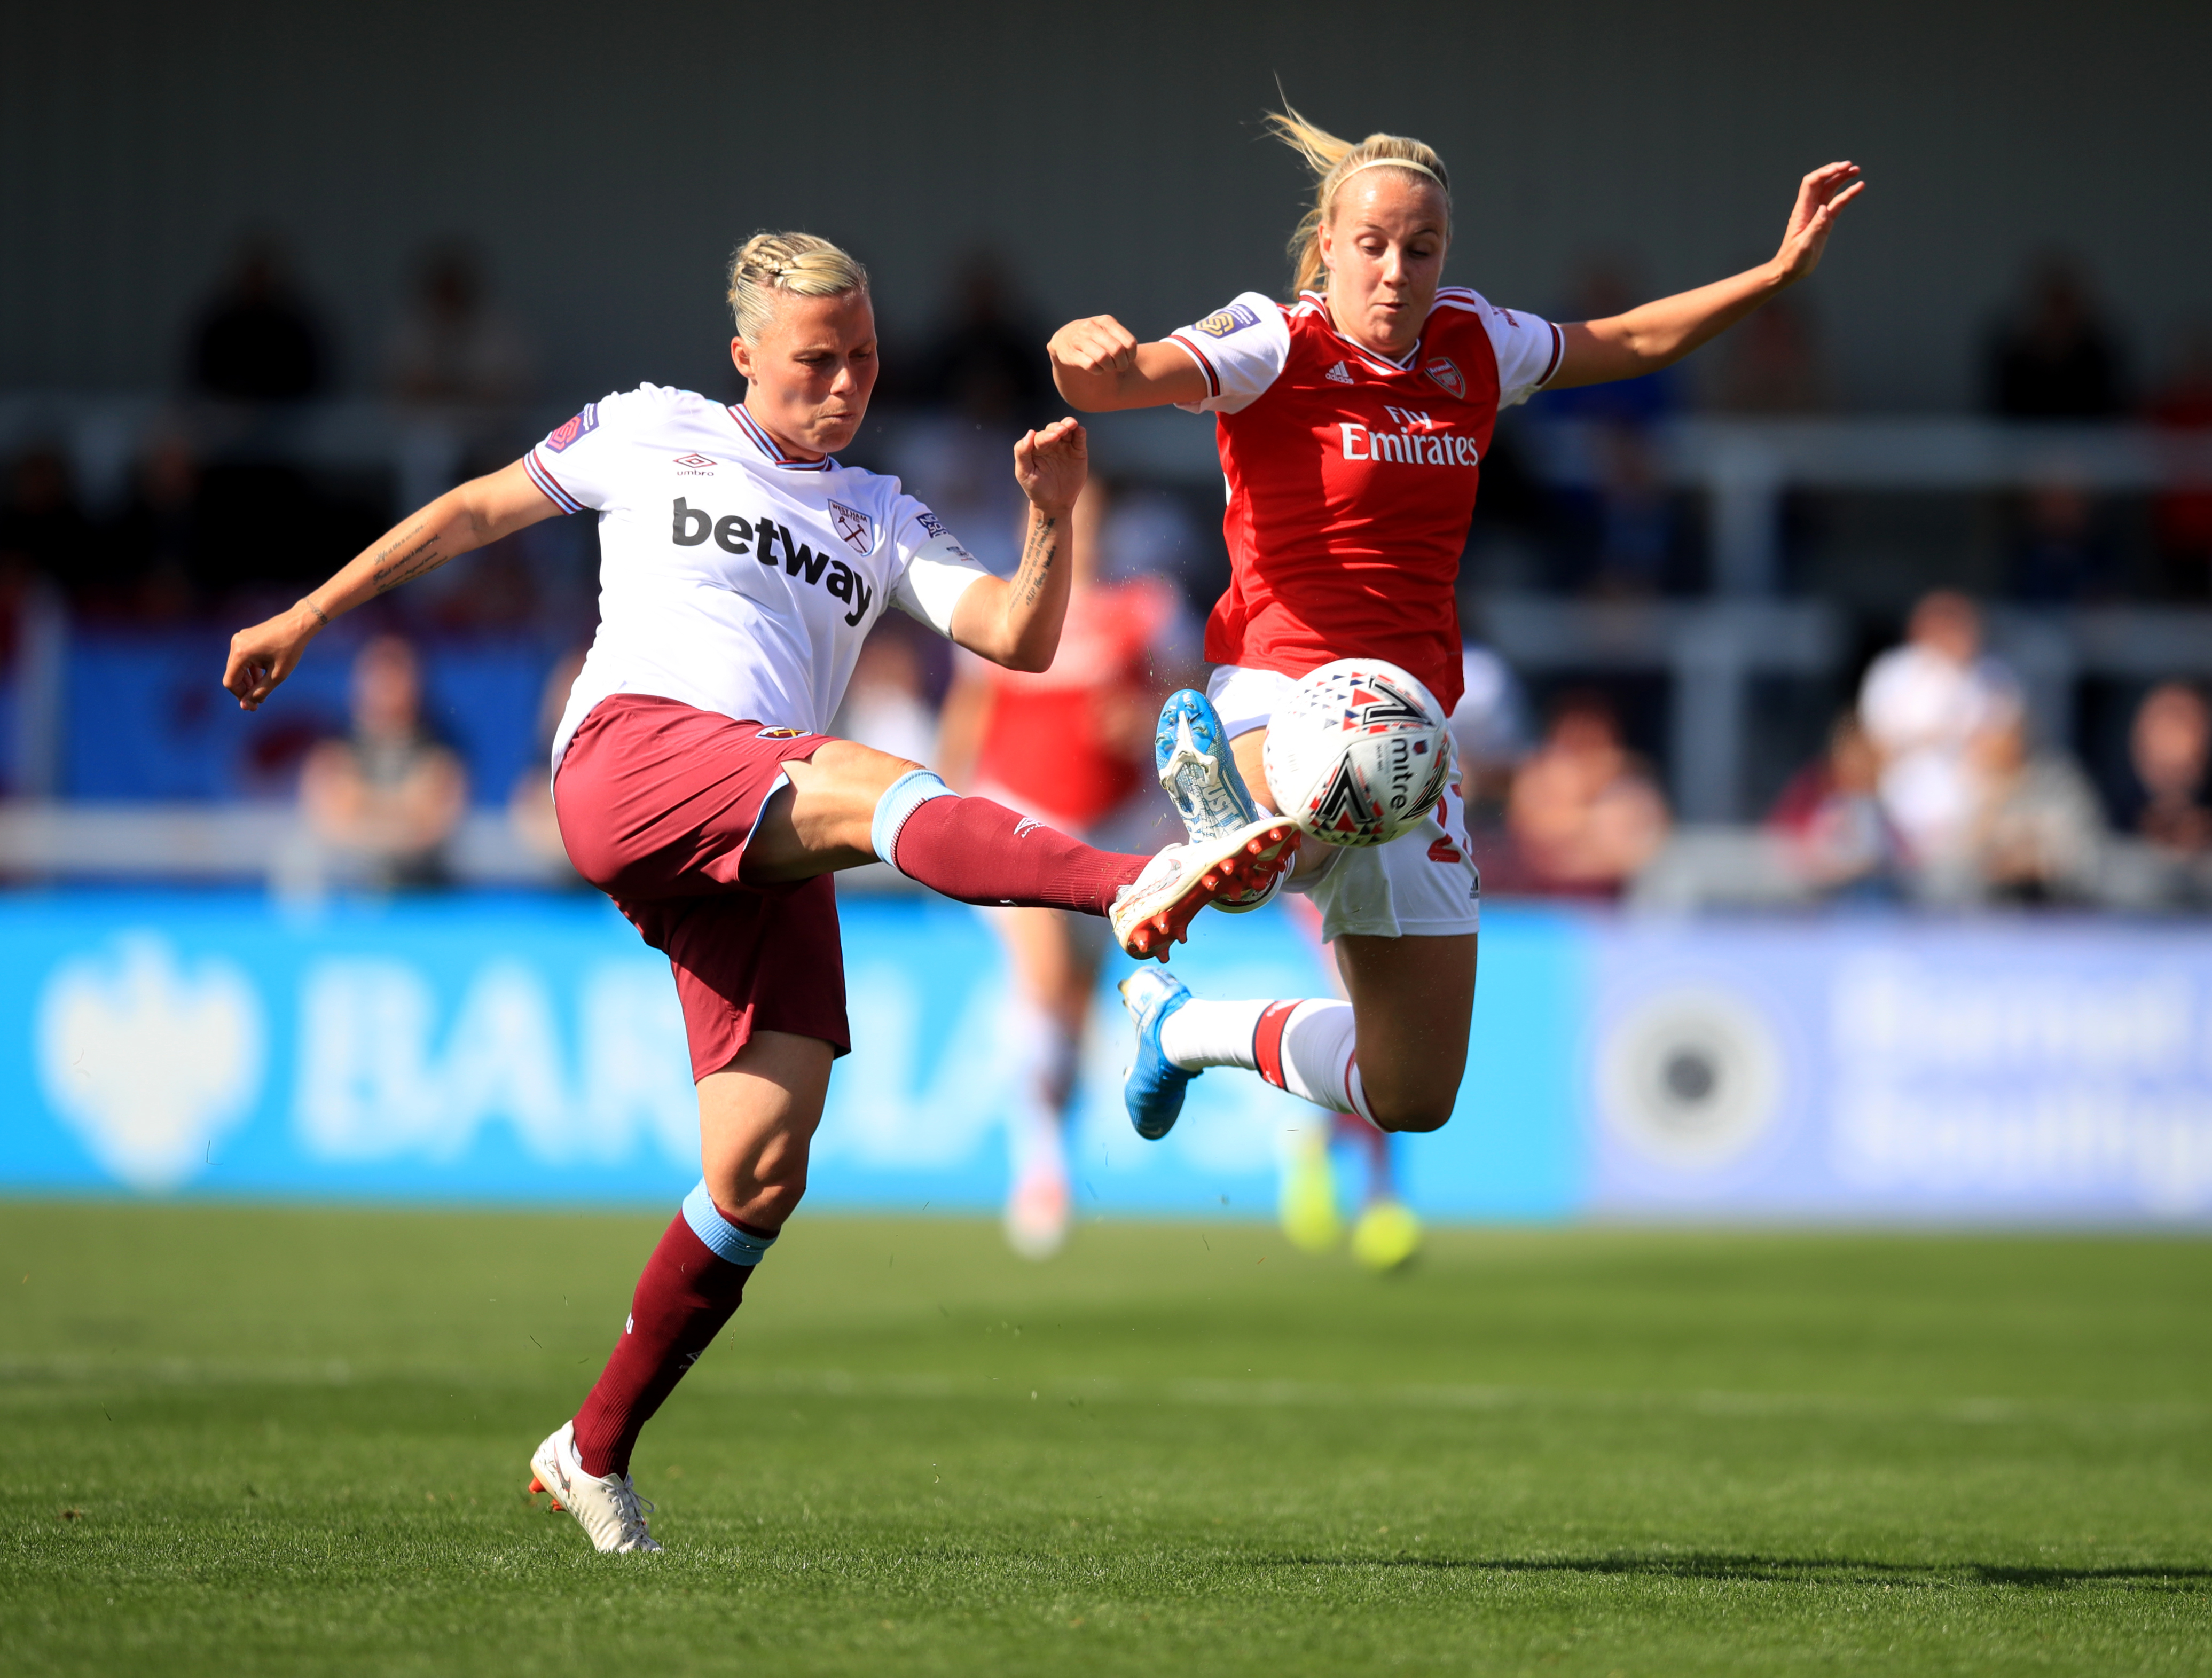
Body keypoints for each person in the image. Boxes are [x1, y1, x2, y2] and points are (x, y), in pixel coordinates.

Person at [220, 231, 1294, 1555]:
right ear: (742, 356)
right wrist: (308, 615)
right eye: (814, 360)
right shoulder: (645, 426)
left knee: (761, 1165)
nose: (843, 384)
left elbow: (1016, 636)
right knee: (875, 782)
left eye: (863, 359)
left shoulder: (880, 510)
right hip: (635, 757)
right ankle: (1136, 879)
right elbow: (469, 511)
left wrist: (1050, 515)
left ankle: (591, 1447)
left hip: (758, 820)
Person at [1044, 106, 1860, 1143]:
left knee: (1414, 1091)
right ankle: (1236, 812)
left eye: (1420, 249)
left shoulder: (1474, 341)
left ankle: (1185, 1020)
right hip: (1278, 683)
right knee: (1302, 810)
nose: (1396, 270)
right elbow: (1119, 379)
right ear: (1329, 247)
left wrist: (1775, 275)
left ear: (1444, 257)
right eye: (1374, 245)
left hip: (1413, 730)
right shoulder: (1272, 340)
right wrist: (1084, 354)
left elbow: (1632, 339)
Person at [934, 478, 1189, 1257]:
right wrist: (936, 820)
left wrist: (1143, 720)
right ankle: (1036, 1170)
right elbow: (967, 717)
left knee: (1074, 1009)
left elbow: (1184, 708)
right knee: (1041, 976)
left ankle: (1047, 1153)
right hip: (1018, 815)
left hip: (1112, 831)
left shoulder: (1146, 606)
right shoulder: (1001, 602)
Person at [1857, 591, 2018, 868]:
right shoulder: (1893, 675)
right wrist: (1941, 736)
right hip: (1899, 826)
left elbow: (2010, 754)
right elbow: (1868, 754)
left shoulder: (1994, 676)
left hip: (1976, 831)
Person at [297, 636, 469, 889]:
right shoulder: (333, 750)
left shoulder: (442, 752)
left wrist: (362, 804)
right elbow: (328, 825)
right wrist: (405, 810)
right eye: (378, 674)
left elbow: (435, 827)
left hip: (422, 892)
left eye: (396, 673)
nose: (386, 685)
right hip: (347, 892)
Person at [1501, 690, 1670, 898]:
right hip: (1536, 909)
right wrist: (1596, 824)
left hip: (1610, 914)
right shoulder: (1535, 775)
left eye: (1593, 733)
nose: (1581, 741)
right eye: (1572, 732)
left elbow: (1639, 853)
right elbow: (1532, 840)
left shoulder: (1632, 786)